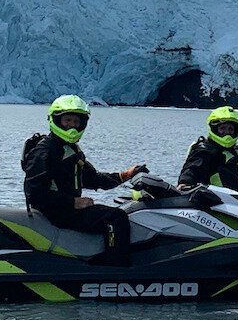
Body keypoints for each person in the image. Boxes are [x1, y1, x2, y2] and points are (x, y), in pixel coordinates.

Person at [21, 94, 147, 264]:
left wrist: (125, 175)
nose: (72, 126)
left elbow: (92, 178)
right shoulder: (45, 151)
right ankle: (116, 270)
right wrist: (73, 202)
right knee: (116, 217)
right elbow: (34, 193)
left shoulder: (69, 149)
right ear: (56, 120)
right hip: (54, 212)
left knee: (126, 210)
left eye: (76, 121)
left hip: (64, 209)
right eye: (67, 120)